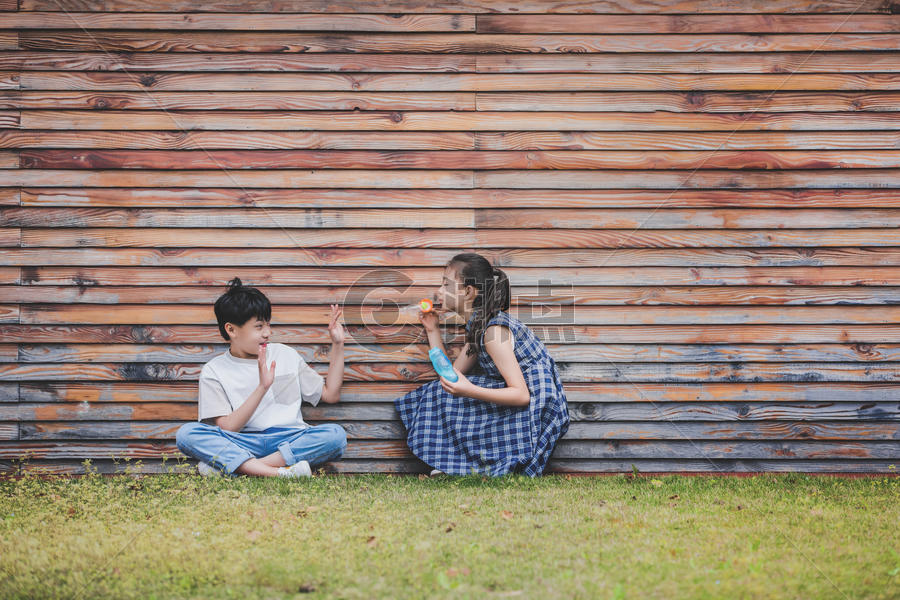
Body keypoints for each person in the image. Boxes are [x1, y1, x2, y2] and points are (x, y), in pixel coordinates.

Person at [395, 253, 569, 476]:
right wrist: (432, 330)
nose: (439, 291)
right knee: (437, 393)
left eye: (446, 284)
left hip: (537, 406)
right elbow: (450, 375)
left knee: (461, 393)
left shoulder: (493, 332)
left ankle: (473, 465)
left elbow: (522, 395)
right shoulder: (479, 326)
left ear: (468, 292)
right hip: (522, 400)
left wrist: (470, 390)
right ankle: (457, 463)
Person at [176, 278, 347, 477]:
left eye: (268, 324)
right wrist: (262, 387)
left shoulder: (286, 354)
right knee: (187, 434)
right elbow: (229, 428)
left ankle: (245, 469)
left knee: (336, 436)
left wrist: (338, 344)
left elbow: (331, 394)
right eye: (258, 327)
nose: (268, 333)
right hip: (242, 442)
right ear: (231, 330)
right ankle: (282, 474)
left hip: (288, 440)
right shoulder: (214, 370)